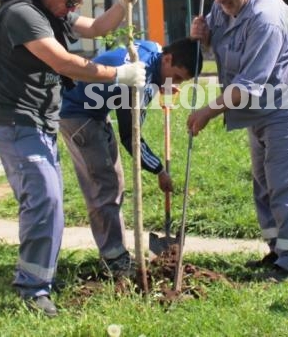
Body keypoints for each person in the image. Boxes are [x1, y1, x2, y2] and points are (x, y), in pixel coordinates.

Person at [0, 0, 147, 317]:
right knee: (45, 199)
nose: (73, 10)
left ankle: (39, 279)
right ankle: (32, 289)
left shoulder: (55, 12)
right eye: (71, 1)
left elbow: (98, 26)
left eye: (77, 5)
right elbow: (64, 63)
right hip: (15, 122)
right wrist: (119, 74)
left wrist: (123, 2)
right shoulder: (22, 16)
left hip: (38, 123)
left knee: (48, 202)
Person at [187, 0, 288, 281]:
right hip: (259, 110)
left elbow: (248, 84)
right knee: (263, 183)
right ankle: (277, 252)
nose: (220, 1)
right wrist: (203, 38)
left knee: (287, 184)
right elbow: (220, 49)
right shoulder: (222, 8)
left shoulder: (267, 18)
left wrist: (207, 111)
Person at [59, 38, 202, 279]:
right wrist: (159, 170)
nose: (176, 83)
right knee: (104, 187)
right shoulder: (138, 86)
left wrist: (162, 84)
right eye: (176, 77)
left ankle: (117, 252)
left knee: (114, 182)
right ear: (168, 59)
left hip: (94, 109)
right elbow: (131, 137)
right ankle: (113, 258)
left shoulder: (152, 48)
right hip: (78, 114)